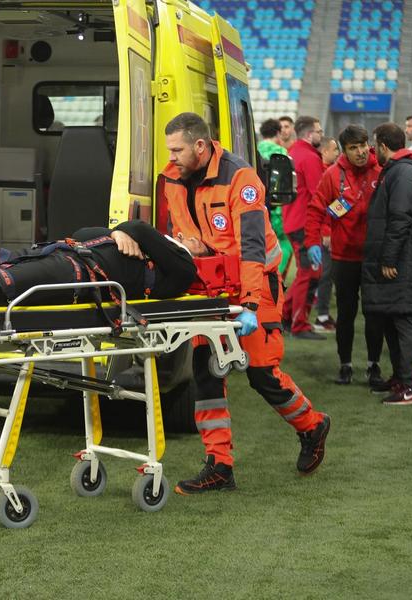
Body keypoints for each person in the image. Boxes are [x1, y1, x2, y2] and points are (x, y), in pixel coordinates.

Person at [156, 112, 330, 493]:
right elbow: (176, 233)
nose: (171, 157)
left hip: (256, 285)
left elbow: (252, 246)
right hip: (211, 287)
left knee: (262, 373)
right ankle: (219, 465)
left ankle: (312, 425)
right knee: (207, 370)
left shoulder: (240, 178)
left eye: (177, 150)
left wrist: (250, 304)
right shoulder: (172, 178)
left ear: (200, 146)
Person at [0, 220, 203, 309]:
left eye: (197, 241)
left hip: (75, 275)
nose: (185, 235)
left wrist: (127, 231)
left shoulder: (182, 269)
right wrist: (117, 233)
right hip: (64, 255)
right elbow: (82, 233)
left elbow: (139, 227)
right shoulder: (149, 246)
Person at [305, 125, 385, 387]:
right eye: (353, 148)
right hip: (344, 257)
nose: (360, 152)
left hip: (374, 257)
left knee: (374, 314)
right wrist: (312, 242)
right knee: (346, 314)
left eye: (363, 145)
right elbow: (316, 209)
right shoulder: (332, 175)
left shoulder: (381, 170)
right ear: (344, 150)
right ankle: (345, 365)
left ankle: (374, 366)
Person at [362, 123, 412, 405]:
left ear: (382, 145)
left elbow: (400, 217)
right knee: (394, 318)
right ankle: (402, 379)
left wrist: (389, 257)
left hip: (405, 261)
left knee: (405, 319)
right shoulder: (398, 170)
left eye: (374, 145)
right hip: (404, 259)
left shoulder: (403, 172)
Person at [282, 115, 327, 339]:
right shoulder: (309, 157)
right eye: (319, 131)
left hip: (293, 220)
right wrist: (325, 228)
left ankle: (285, 316)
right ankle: (298, 324)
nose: (321, 134)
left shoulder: (293, 153)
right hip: (304, 224)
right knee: (309, 273)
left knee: (307, 272)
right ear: (310, 134)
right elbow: (319, 195)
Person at [258, 118, 294, 278]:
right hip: (277, 208)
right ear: (278, 133)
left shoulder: (254, 149)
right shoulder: (281, 153)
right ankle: (276, 276)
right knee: (283, 243)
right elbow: (285, 184)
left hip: (258, 204)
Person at [313, 135, 339, 331]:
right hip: (324, 233)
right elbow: (323, 208)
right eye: (335, 149)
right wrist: (326, 231)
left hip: (327, 230)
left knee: (326, 274)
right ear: (325, 151)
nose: (337, 153)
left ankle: (322, 314)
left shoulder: (330, 171)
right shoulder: (323, 174)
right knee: (325, 274)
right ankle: (321, 316)